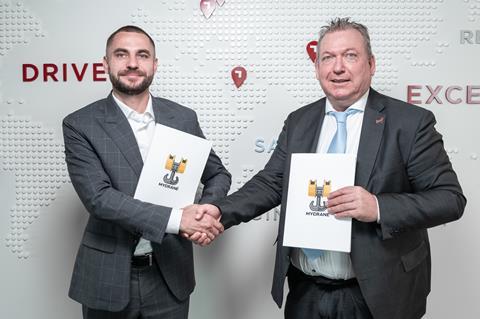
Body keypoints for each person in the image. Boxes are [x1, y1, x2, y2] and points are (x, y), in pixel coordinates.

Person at [190, 18, 466, 319]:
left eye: (350, 56)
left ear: (371, 64)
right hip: (306, 291)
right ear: (317, 67)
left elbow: (449, 198)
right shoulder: (299, 121)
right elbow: (272, 182)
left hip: (379, 293)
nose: (338, 67)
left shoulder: (411, 123)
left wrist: (377, 206)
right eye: (327, 58)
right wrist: (220, 211)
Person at [62, 25, 231, 319]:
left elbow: (218, 174)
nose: (131, 63)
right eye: (121, 54)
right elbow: (99, 198)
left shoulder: (183, 117)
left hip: (170, 276)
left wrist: (206, 209)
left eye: (142, 55)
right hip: (108, 276)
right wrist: (181, 220)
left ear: (154, 64)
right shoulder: (80, 124)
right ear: (105, 64)